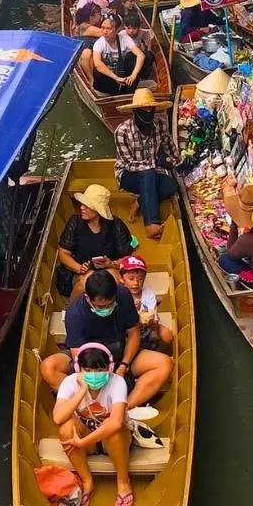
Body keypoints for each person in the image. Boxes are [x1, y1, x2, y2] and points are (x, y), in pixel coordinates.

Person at [41, 268, 174, 425]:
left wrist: (124, 365)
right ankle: (84, 406)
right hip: (87, 359)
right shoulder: (75, 313)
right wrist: (91, 376)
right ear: (88, 298)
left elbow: (134, 334)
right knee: (48, 367)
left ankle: (121, 409)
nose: (105, 309)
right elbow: (77, 353)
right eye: (100, 306)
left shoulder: (123, 295)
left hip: (120, 352)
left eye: (109, 305)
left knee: (164, 364)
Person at [50, 343, 136, 506]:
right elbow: (58, 417)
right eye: (88, 370)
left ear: (109, 368)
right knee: (65, 427)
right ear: (78, 369)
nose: (94, 375)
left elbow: (116, 422)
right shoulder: (70, 382)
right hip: (87, 439)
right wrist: (82, 390)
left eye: (100, 370)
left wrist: (83, 442)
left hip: (114, 440)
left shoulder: (117, 382)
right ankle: (87, 480)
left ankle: (123, 482)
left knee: (112, 427)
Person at [113, 90, 176, 239]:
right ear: (135, 111)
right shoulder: (122, 131)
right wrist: (156, 162)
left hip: (152, 173)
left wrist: (179, 163)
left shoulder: (160, 125)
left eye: (150, 109)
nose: (148, 113)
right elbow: (128, 164)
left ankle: (140, 202)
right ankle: (151, 223)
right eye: (144, 110)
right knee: (148, 173)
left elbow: (170, 149)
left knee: (171, 185)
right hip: (128, 175)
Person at [55, 183, 135, 297]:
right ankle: (74, 307)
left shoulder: (116, 225)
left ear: (98, 210)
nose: (82, 208)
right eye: (82, 204)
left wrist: (111, 264)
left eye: (87, 206)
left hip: (108, 270)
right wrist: (80, 268)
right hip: (80, 272)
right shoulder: (75, 222)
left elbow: (128, 258)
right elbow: (63, 254)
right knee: (85, 281)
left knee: (117, 281)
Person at [116, 255, 176, 350]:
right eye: (131, 278)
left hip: (147, 327)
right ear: (121, 278)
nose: (136, 283)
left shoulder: (149, 294)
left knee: (167, 335)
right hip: (127, 329)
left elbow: (153, 318)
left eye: (140, 279)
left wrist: (153, 324)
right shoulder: (119, 294)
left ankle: (153, 350)